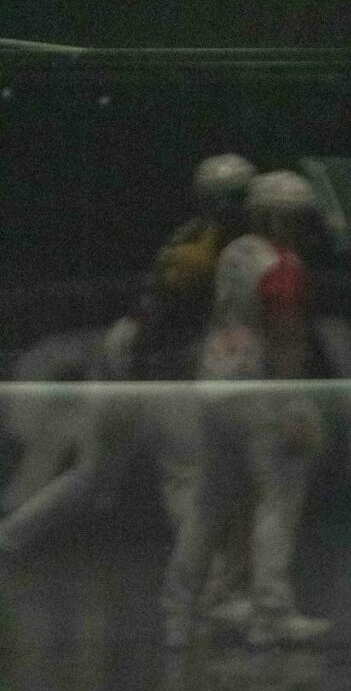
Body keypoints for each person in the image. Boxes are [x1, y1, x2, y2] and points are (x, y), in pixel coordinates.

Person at [0, 151, 255, 558]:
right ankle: (207, 572)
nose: (245, 208)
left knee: (94, 476)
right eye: (239, 199)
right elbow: (161, 323)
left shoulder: (206, 240)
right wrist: (146, 375)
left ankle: (8, 538)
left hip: (134, 359)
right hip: (147, 365)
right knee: (185, 472)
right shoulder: (203, 250)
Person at [161, 170, 331, 650]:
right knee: (278, 502)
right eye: (299, 218)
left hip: (216, 388)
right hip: (261, 394)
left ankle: (181, 612)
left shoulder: (235, 253)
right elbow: (286, 339)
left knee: (207, 506)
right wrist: (293, 406)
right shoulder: (283, 266)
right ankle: (270, 614)